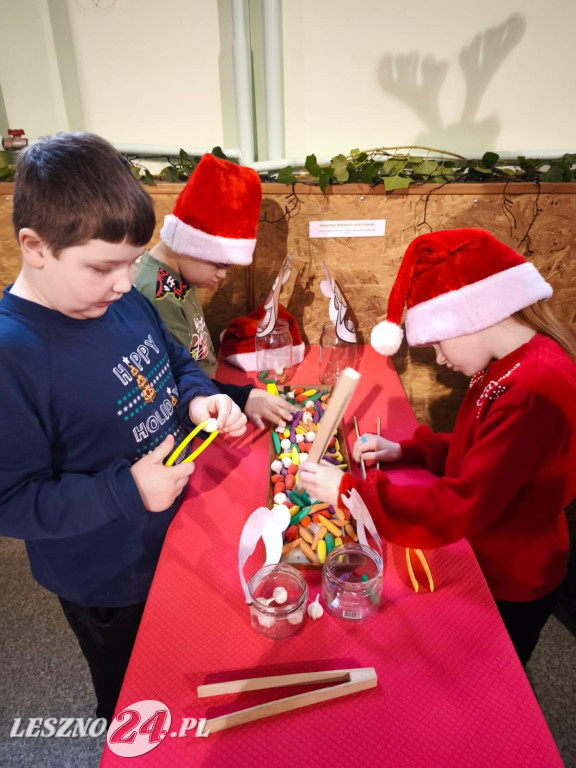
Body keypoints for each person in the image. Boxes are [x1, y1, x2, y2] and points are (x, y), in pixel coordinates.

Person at [0, 132, 248, 724]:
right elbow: (9, 502)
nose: (122, 282)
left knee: (185, 669)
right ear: (35, 247)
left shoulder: (121, 299)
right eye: (103, 266)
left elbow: (177, 363)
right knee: (134, 700)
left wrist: (196, 400)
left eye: (133, 262)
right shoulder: (13, 355)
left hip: (173, 537)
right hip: (105, 575)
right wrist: (127, 489)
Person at [299, 227, 576, 666]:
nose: (441, 359)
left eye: (439, 343)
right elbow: (483, 452)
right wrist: (405, 451)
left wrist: (348, 492)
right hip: (491, 551)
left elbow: (462, 502)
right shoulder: (508, 363)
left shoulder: (531, 390)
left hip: (511, 577)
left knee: (490, 678)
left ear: (472, 316)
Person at [134, 152, 294, 429]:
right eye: (219, 265)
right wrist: (242, 397)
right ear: (190, 244)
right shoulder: (157, 293)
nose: (221, 276)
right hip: (195, 409)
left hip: (210, 390)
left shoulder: (184, 274)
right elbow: (175, 379)